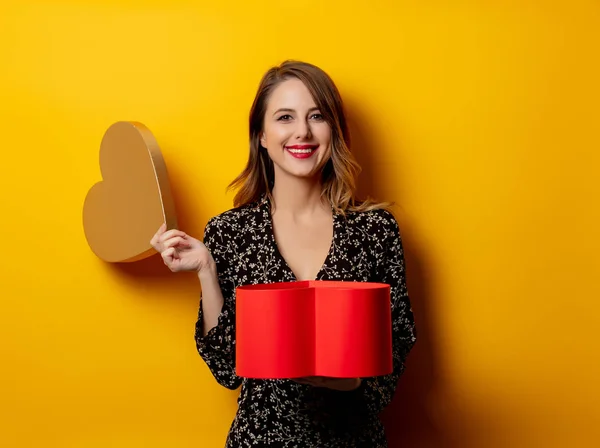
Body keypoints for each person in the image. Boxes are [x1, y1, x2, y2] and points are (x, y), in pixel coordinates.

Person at [150, 60, 417, 447]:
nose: (302, 132)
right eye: (285, 117)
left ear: (334, 130)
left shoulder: (376, 231)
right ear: (261, 134)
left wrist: (353, 381)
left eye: (317, 116)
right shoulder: (229, 233)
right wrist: (206, 268)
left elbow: (399, 339)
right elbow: (228, 369)